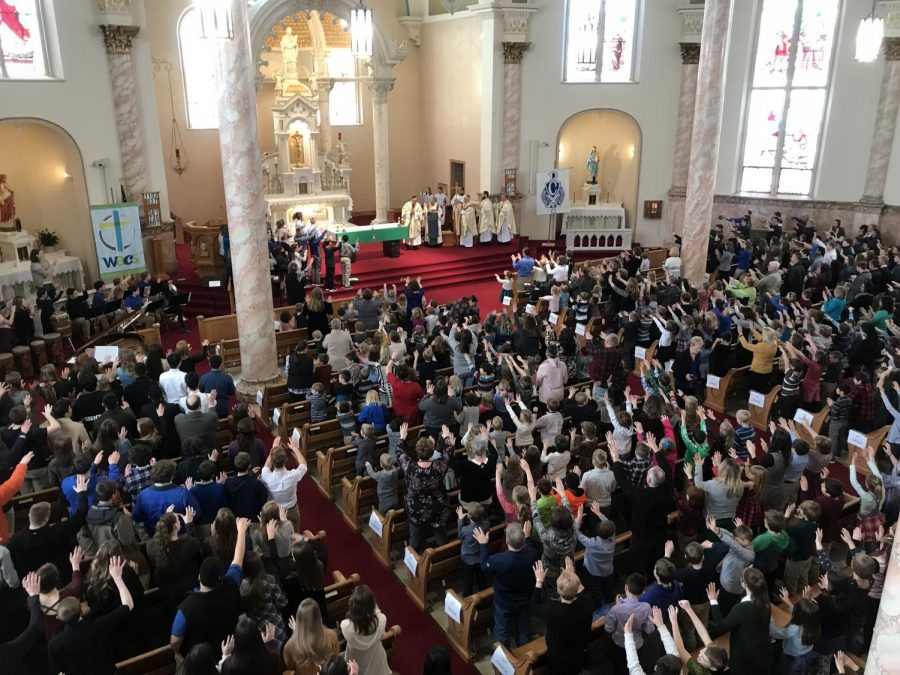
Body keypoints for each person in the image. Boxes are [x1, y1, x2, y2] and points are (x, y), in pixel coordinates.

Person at [170, 517, 250, 656]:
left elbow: (175, 642)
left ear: (199, 577)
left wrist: (180, 654)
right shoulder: (230, 584)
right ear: (220, 578)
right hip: (230, 649)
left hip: (203, 658)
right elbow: (238, 557)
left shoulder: (186, 608)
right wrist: (241, 531)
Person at [47, 556, 135, 675]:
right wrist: (118, 578)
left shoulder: (55, 645)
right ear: (82, 610)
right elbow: (128, 605)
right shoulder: (100, 625)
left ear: (59, 618)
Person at [396, 422, 452, 553]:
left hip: (415, 508)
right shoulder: (439, 466)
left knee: (414, 535)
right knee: (440, 533)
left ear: (417, 451)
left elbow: (399, 452)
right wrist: (446, 437)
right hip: (438, 507)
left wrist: (403, 437)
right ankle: (444, 554)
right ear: (432, 452)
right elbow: (449, 452)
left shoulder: (410, 467)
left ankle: (413, 557)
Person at [708, 567, 773, 675]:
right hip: (762, 651)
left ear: (744, 584)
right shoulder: (765, 601)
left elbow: (721, 626)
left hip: (745, 656)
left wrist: (713, 600)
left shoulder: (742, 608)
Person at [532, 557, 592, 673]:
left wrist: (539, 581)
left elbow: (534, 607)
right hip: (578, 652)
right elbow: (582, 591)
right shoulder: (587, 603)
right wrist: (572, 576)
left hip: (557, 656)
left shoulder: (552, 610)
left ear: (558, 591)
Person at [341, 585, 391, 675]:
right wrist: (369, 601)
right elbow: (377, 612)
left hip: (354, 659)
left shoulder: (346, 626)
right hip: (376, 659)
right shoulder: (382, 620)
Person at [283, 598, 340, 675]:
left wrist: (296, 633)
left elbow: (290, 667)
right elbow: (336, 659)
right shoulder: (332, 635)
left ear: (299, 620)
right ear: (319, 616)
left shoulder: (289, 646)